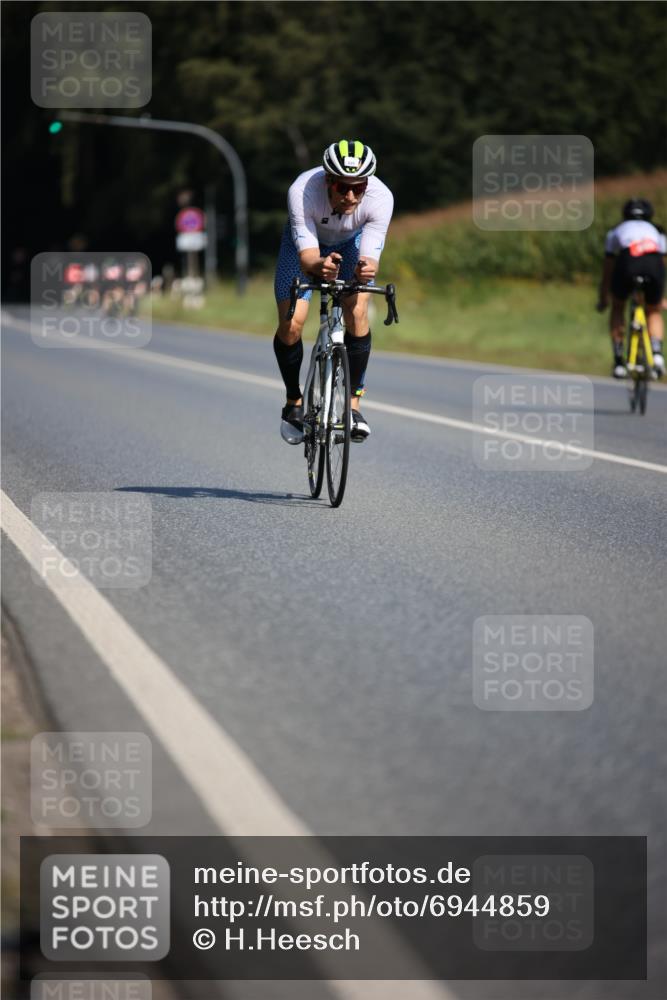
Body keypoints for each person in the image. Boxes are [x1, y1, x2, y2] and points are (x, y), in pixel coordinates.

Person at [273, 140, 394, 443]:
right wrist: (320, 266)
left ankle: (353, 407)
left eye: (359, 188)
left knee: (357, 312)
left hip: (349, 244)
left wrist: (366, 270)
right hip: (304, 248)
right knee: (292, 324)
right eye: (342, 187)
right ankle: (293, 400)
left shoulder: (381, 198)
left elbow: (370, 258)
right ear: (328, 180)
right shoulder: (303, 191)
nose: (351, 196)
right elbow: (308, 257)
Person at [597, 198, 666, 378]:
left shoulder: (616, 230)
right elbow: (663, 264)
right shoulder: (658, 231)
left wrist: (604, 297)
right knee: (654, 310)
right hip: (653, 264)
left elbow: (608, 267)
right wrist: (661, 297)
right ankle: (657, 354)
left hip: (628, 262)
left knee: (618, 307)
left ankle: (619, 360)